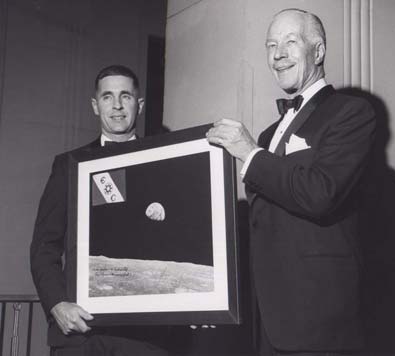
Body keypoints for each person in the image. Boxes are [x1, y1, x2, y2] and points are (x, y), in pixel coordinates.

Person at [206, 8, 376, 356]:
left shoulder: (351, 112)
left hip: (320, 320)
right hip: (266, 318)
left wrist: (251, 154)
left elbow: (320, 193)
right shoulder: (269, 133)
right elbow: (262, 224)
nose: (278, 54)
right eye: (271, 45)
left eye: (290, 42)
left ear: (319, 50)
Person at [30, 65, 171, 356]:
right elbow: (45, 247)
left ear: (139, 104)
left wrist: (204, 302)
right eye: (107, 97)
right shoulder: (69, 166)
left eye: (126, 97)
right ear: (96, 105)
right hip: (80, 335)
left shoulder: (164, 165)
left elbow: (175, 238)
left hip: (146, 338)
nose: (117, 106)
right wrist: (57, 304)